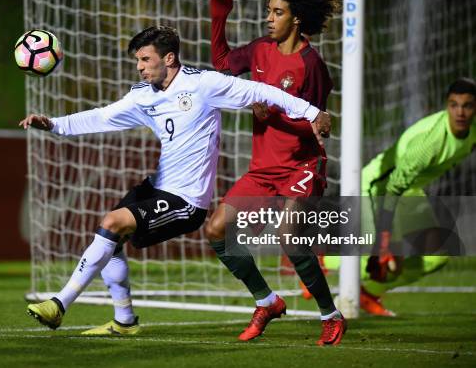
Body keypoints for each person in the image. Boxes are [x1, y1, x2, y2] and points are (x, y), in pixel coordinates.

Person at [22, 25, 331, 335]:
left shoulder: (204, 85)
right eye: (137, 61)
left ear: (168, 58)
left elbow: (261, 90)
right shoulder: (143, 96)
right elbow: (103, 117)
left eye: (145, 59)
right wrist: (53, 125)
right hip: (157, 187)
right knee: (109, 236)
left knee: (113, 223)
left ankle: (59, 304)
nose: (140, 67)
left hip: (186, 201)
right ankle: (124, 320)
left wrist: (310, 110)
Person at [205, 0, 345, 346]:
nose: (268, 18)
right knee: (216, 229)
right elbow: (222, 64)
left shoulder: (310, 64)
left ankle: (330, 315)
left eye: (277, 12)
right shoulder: (260, 50)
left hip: (302, 165)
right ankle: (267, 301)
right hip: (263, 169)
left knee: (288, 233)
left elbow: (318, 125)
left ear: (296, 18)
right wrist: (220, 13)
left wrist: (274, 112)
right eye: (268, 11)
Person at [349, 77, 476, 316]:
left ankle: (369, 293)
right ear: (446, 105)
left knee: (437, 256)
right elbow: (394, 187)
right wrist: (384, 240)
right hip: (378, 188)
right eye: (453, 105)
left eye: (467, 105)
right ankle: (320, 258)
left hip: (409, 190)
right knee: (374, 258)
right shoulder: (431, 144)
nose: (460, 112)